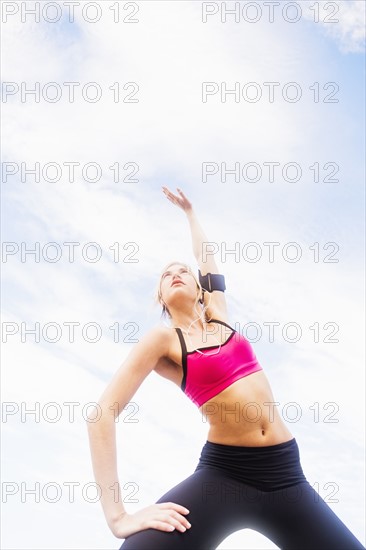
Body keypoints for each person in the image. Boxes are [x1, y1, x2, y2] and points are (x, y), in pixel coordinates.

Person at [86, 187, 365, 550]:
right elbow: (101, 415)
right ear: (160, 297)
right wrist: (118, 517)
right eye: (166, 274)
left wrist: (189, 214)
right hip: (225, 472)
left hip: (285, 473)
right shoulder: (163, 341)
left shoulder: (220, 317)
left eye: (183, 270)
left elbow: (206, 258)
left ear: (201, 289)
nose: (175, 274)